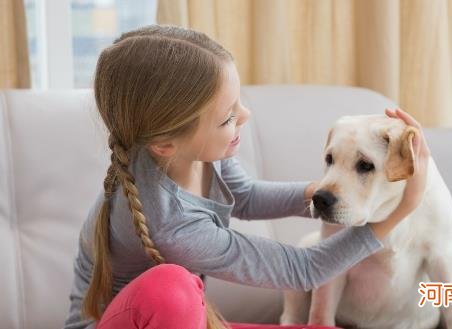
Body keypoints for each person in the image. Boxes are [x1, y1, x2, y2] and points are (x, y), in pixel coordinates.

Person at [63, 24, 431, 329]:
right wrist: (401, 208)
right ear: (164, 143)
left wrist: (326, 196)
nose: (246, 116)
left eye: (237, 102)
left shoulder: (192, 151)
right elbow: (303, 269)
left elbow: (246, 197)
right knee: (171, 288)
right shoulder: (171, 224)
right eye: (227, 118)